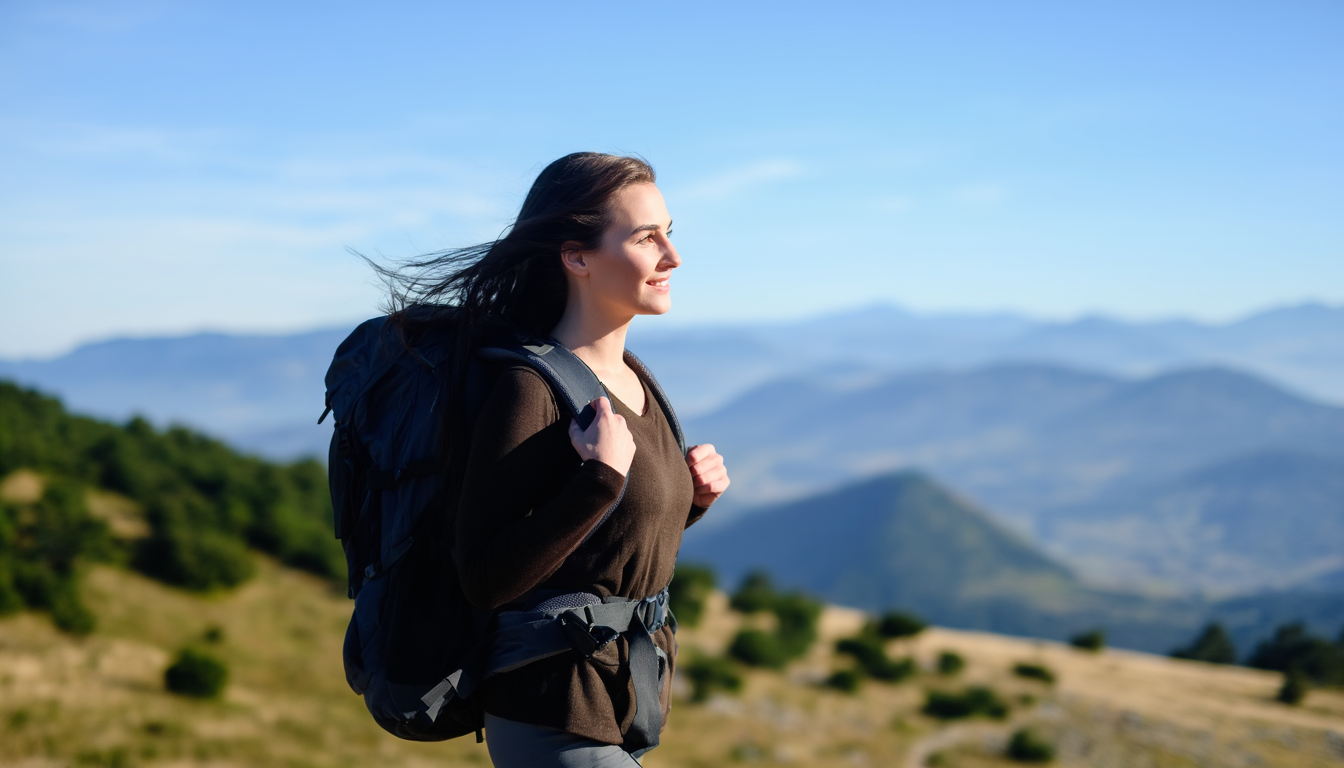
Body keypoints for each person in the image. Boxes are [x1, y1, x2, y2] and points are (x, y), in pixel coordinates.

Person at [382, 152, 729, 766]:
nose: (672, 258)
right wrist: (598, 482)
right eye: (647, 238)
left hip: (619, 705)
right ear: (577, 257)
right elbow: (487, 578)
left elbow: (600, 553)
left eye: (669, 234)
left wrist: (690, 502)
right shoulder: (531, 388)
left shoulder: (634, 379)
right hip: (549, 709)